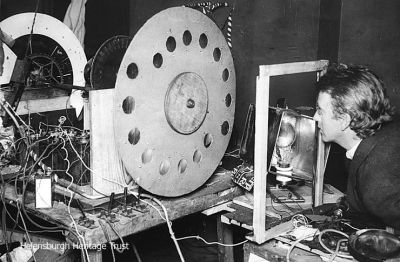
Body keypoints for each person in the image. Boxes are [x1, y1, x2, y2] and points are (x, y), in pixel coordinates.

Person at [313, 64, 400, 230]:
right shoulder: (375, 141)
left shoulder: (376, 185)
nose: (315, 117)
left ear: (344, 120)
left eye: (320, 110)